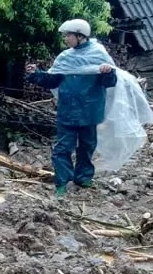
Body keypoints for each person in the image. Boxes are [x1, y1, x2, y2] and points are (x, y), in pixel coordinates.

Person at [26, 19, 117, 198]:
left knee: (86, 147)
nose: (66, 39)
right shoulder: (65, 57)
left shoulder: (99, 55)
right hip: (67, 110)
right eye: (65, 35)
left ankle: (83, 178)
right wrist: (35, 74)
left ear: (80, 36)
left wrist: (108, 72)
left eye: (68, 35)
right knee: (62, 148)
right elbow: (53, 80)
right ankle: (61, 183)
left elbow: (110, 83)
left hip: (89, 112)